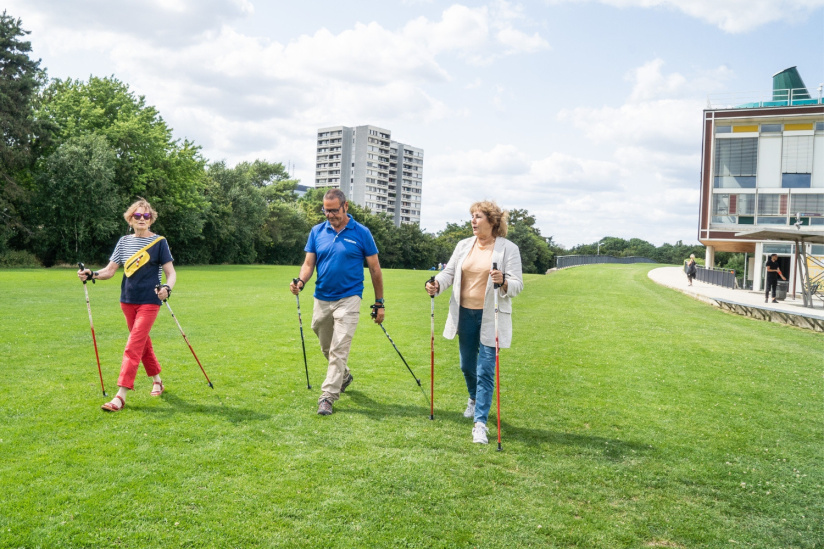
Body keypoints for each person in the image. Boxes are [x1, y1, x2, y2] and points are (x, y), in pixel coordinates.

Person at [425, 200, 523, 444]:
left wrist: (503, 281)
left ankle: (480, 423)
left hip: (492, 316)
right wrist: (436, 283)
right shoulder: (463, 245)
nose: (473, 221)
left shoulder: (508, 249)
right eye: (472, 216)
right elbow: (449, 272)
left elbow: (517, 284)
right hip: (465, 314)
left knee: (486, 369)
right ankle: (473, 397)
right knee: (466, 366)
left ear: (492, 221)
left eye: (478, 217)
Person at [290, 189, 384, 416]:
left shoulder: (362, 233)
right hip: (322, 296)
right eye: (326, 210)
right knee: (326, 346)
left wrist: (379, 302)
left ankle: (327, 397)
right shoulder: (316, 231)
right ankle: (345, 376)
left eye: (333, 210)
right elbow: (308, 263)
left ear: (345, 206)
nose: (329, 215)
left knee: (339, 348)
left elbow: (374, 269)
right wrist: (301, 281)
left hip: (350, 298)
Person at [77, 198, 176, 412]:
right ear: (130, 219)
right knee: (142, 344)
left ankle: (120, 395)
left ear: (151, 219)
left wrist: (167, 288)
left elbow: (171, 273)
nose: (142, 219)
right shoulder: (123, 242)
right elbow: (110, 270)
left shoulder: (159, 242)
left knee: (133, 345)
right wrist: (92, 274)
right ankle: (157, 380)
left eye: (146, 216)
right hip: (127, 301)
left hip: (150, 301)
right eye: (137, 216)